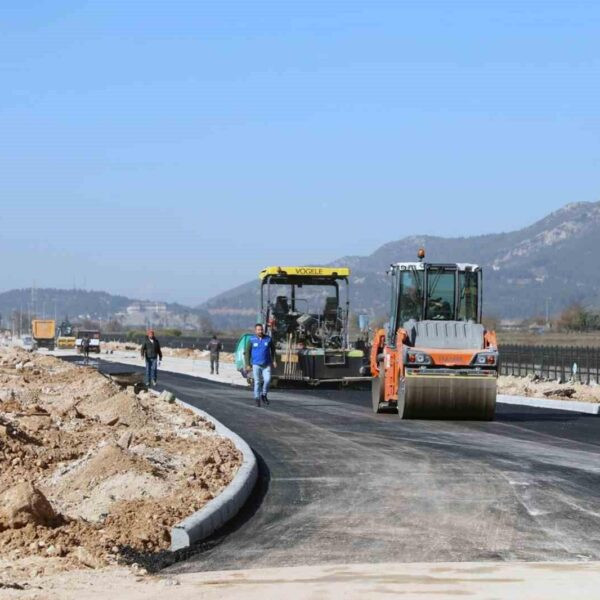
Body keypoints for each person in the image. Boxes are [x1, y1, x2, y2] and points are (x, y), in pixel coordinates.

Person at [245, 323, 277, 407]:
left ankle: (264, 395)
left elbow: (273, 350)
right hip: (256, 364)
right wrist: (247, 364)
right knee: (257, 382)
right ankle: (257, 398)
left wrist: (274, 360)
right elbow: (247, 352)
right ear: (255, 331)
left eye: (261, 329)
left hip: (266, 364)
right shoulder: (251, 339)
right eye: (258, 330)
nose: (260, 331)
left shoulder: (268, 339)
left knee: (267, 380)